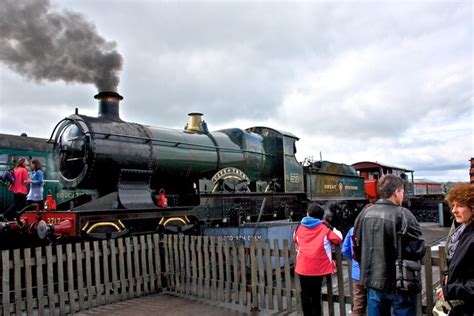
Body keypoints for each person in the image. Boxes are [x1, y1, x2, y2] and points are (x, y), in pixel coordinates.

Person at [353, 174, 425, 316]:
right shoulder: (404, 215)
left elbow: (356, 245)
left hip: (373, 283)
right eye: (402, 191)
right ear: (396, 192)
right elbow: (418, 249)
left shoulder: (364, 213)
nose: (403, 195)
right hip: (400, 284)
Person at [293, 203, 343, 316]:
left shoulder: (299, 227)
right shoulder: (324, 227)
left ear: (308, 214)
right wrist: (329, 226)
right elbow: (339, 238)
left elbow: (294, 239)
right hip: (318, 268)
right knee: (316, 295)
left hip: (303, 267)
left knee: (305, 294)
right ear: (321, 217)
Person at [435, 183, 473, 315]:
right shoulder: (464, 231)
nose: (453, 210)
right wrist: (448, 274)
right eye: (453, 205)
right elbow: (459, 261)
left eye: (460, 206)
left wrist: (451, 290)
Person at [342, 227, 367, 316]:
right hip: (375, 273)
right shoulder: (377, 227)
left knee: (358, 305)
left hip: (358, 273)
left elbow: (345, 250)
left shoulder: (353, 229)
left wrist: (354, 261)